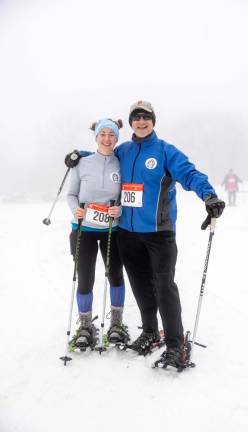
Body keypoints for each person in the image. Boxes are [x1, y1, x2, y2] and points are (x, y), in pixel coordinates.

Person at [66, 101, 225, 370]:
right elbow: (101, 155)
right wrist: (77, 155)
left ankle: (175, 345)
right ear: (130, 123)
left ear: (153, 121)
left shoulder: (165, 151)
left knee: (164, 288)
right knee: (140, 286)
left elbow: (189, 173)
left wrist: (208, 195)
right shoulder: (124, 151)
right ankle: (150, 331)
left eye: (146, 117)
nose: (141, 121)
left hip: (159, 233)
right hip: (127, 234)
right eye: (136, 117)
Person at [66, 118, 129, 350]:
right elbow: (71, 194)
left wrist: (119, 209)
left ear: (116, 138)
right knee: (85, 278)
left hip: (112, 229)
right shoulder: (82, 163)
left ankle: (116, 323)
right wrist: (77, 210)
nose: (107, 138)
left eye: (111, 134)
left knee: (115, 275)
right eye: (102, 134)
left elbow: (127, 195)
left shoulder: (122, 163)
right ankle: (85, 326)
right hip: (84, 229)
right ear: (96, 137)